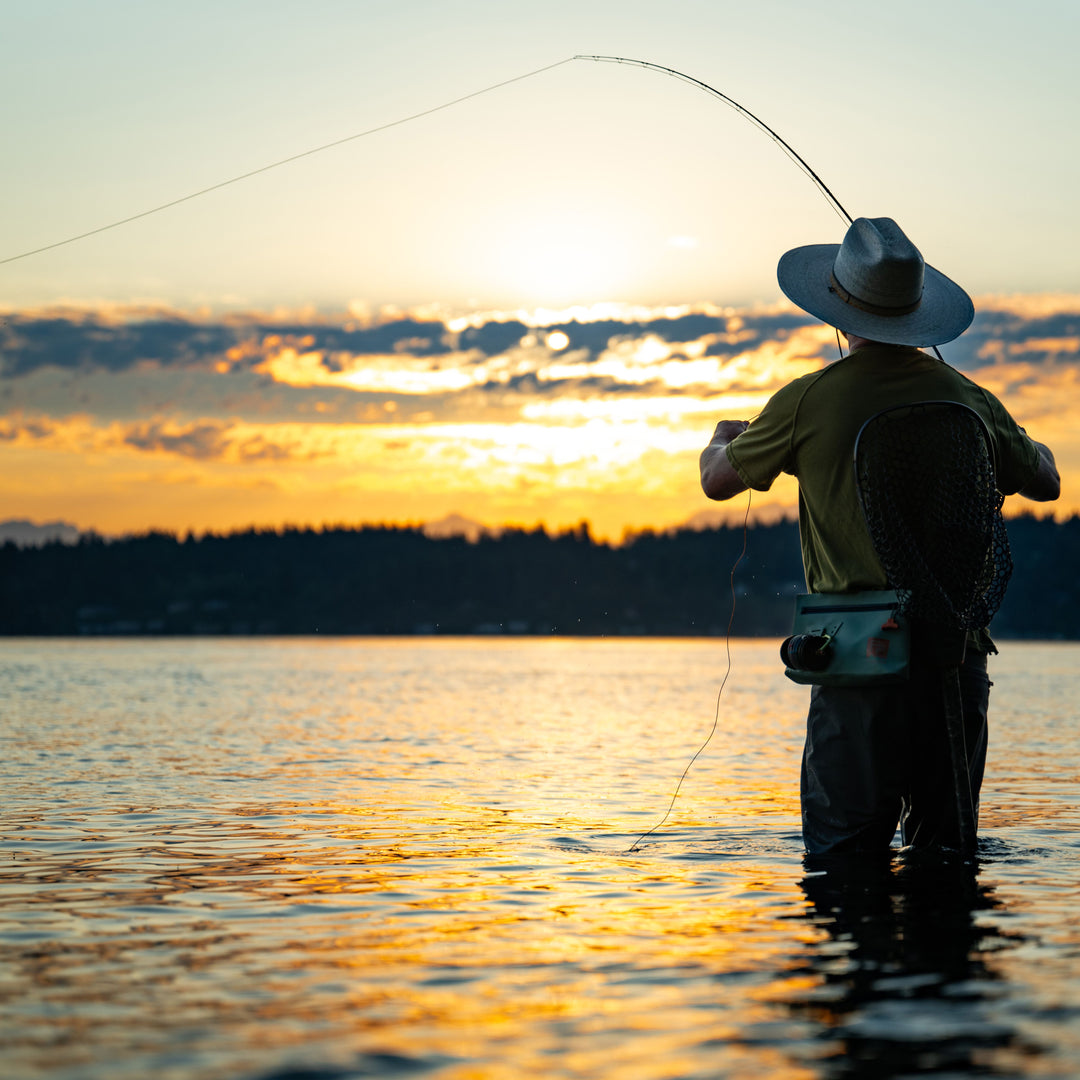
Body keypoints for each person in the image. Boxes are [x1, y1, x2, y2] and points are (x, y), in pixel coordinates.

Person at [699, 217, 1060, 855]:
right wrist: (1020, 436)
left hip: (859, 663)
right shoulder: (970, 397)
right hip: (955, 660)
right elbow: (1048, 483)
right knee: (946, 862)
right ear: (919, 314)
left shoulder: (810, 399)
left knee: (843, 864)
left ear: (838, 309)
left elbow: (718, 483)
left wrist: (722, 437)